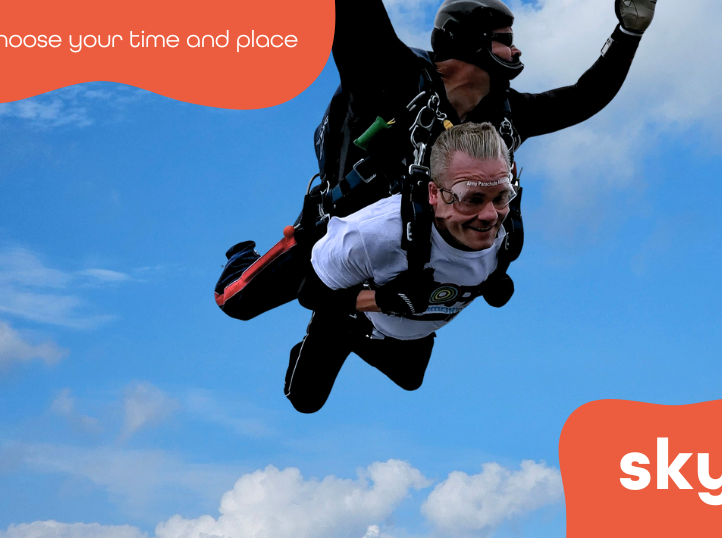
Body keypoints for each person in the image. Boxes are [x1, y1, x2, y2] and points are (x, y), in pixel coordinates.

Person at [213, 0, 659, 320]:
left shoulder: (505, 115)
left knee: (409, 336)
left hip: (412, 249)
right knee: (236, 303)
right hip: (340, 228)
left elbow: (584, 98)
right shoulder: (387, 74)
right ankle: (243, 257)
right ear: (470, 45)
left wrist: (629, 32)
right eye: (505, 42)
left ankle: (357, 326)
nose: (517, 52)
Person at [285, 122, 515, 413]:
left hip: (413, 323)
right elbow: (309, 294)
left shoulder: (508, 229)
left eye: (500, 197)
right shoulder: (374, 234)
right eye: (472, 200)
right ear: (435, 194)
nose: (489, 216)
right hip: (352, 312)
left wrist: (491, 282)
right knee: (304, 400)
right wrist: (381, 300)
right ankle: (342, 327)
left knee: (410, 379)